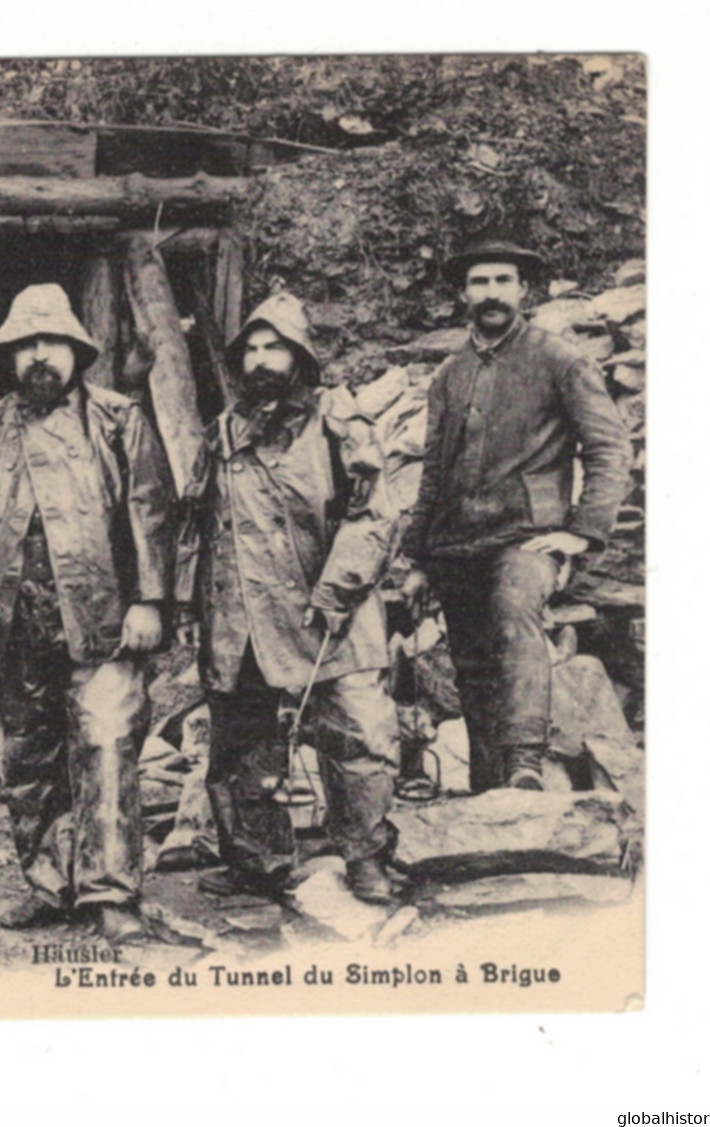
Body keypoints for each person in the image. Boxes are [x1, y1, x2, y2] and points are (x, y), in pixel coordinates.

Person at [0, 283, 175, 945]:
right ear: (10, 354)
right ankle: (48, 884)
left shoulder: (118, 418)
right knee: (29, 758)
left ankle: (110, 893)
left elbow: (150, 512)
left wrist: (149, 598)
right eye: (26, 344)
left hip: (102, 621)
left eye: (51, 343)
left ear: (76, 350)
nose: (39, 356)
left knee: (106, 752)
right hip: (18, 622)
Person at [176, 293, 402, 904]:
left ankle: (366, 858)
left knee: (358, 739)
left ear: (300, 355)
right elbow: (198, 524)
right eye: (250, 348)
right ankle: (257, 861)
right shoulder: (223, 431)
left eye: (273, 346)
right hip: (242, 616)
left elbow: (373, 517)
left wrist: (335, 593)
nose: (259, 359)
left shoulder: (338, 420)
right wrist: (189, 608)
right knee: (241, 745)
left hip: (330, 614)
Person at [402, 241, 633, 791]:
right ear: (464, 294)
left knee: (514, 618)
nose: (492, 293)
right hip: (457, 546)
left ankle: (525, 763)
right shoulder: (450, 375)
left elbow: (609, 448)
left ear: (523, 290)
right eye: (480, 282)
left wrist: (582, 533)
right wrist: (417, 557)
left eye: (504, 281)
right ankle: (490, 788)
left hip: (528, 539)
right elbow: (434, 472)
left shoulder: (558, 358)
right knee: (471, 666)